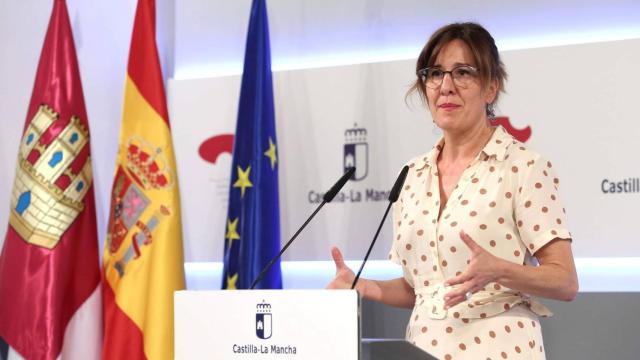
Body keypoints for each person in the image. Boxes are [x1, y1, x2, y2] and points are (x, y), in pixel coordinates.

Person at [327, 22, 578, 360]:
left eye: (462, 73)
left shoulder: (522, 166)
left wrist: (501, 269)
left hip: (499, 348)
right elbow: (424, 288)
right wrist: (363, 286)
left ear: (491, 88)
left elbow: (565, 282)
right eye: (435, 74)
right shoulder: (413, 174)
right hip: (422, 348)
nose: (445, 87)